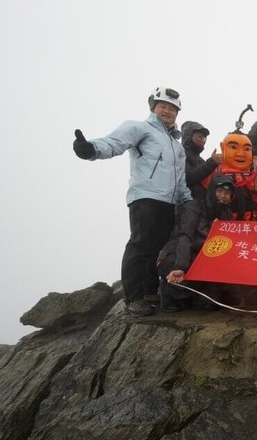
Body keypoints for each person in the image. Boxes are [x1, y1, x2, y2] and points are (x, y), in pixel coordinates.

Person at [72, 86, 192, 317]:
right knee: (139, 245)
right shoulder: (140, 128)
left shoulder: (177, 145)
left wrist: (187, 200)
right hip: (145, 197)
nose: (168, 111)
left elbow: (181, 177)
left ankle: (149, 291)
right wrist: (90, 149)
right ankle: (133, 299)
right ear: (153, 107)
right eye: (163, 106)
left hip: (169, 203)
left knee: (157, 248)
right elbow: (114, 142)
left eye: (173, 109)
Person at [158, 176, 235, 312]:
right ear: (211, 191)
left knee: (210, 305)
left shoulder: (227, 215)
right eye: (219, 191)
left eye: (227, 193)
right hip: (176, 255)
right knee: (174, 303)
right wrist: (180, 266)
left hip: (202, 260)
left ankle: (190, 295)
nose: (223, 196)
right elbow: (184, 237)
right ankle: (167, 290)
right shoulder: (194, 206)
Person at [181, 121, 222, 205]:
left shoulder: (201, 160)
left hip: (202, 205)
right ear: (188, 136)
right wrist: (211, 162)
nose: (201, 139)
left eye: (203, 137)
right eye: (197, 136)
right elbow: (187, 178)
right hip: (187, 204)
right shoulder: (181, 154)